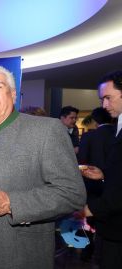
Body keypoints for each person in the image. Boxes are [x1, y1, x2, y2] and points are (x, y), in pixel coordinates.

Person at [0, 65, 86, 269]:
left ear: (12, 95)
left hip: (15, 256)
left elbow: (73, 194)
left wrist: (11, 203)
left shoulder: (46, 130)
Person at [82, 70, 122, 269]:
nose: (104, 105)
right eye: (102, 99)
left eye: (108, 98)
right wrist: (104, 174)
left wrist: (90, 209)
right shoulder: (118, 126)